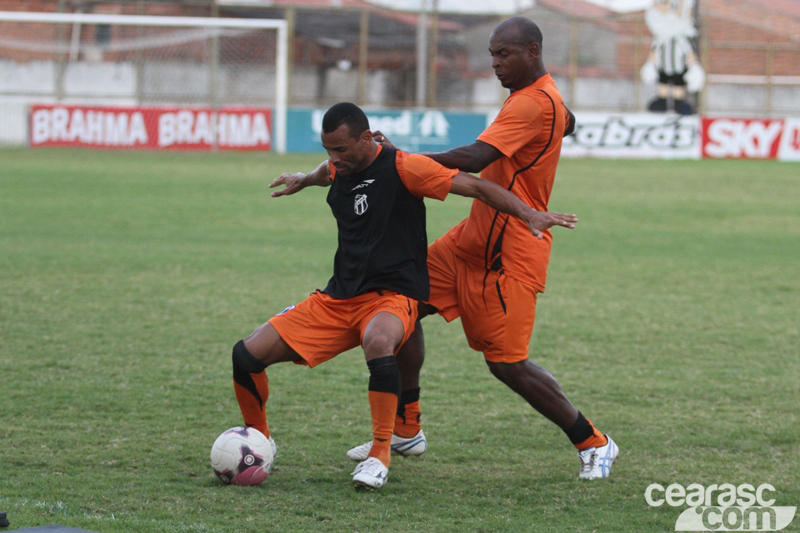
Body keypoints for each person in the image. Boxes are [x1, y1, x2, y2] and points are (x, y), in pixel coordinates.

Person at [230, 102, 578, 491]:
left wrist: (528, 213)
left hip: (393, 296)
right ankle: (259, 442)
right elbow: (325, 172)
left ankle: (380, 455)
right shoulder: (339, 166)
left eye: (340, 149)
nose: (333, 158)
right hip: (339, 297)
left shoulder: (405, 167)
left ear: (366, 138)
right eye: (328, 149)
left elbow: (477, 186)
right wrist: (303, 178)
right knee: (246, 355)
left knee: (379, 341)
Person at [346, 16, 619, 480]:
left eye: (503, 54)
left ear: (532, 51)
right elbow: (567, 121)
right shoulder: (542, 98)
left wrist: (395, 159)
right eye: (491, 54)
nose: (494, 63)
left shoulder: (533, 104)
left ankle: (594, 442)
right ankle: (407, 428)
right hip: (470, 239)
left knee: (507, 365)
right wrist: (559, 123)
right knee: (401, 297)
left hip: (511, 252)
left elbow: (475, 159)